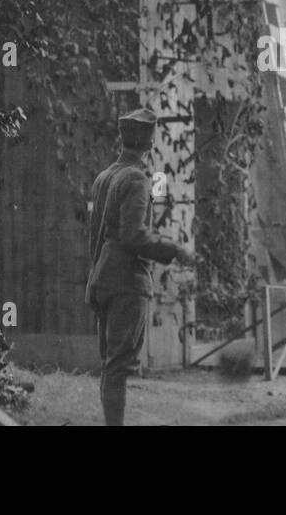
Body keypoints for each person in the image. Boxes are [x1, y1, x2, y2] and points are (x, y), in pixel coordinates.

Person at [85, 108, 197, 426]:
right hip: (127, 283)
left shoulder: (104, 177)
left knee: (111, 365)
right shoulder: (136, 178)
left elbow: (95, 237)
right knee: (118, 366)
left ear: (124, 138)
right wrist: (175, 249)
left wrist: (94, 277)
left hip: (104, 279)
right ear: (149, 141)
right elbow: (135, 235)